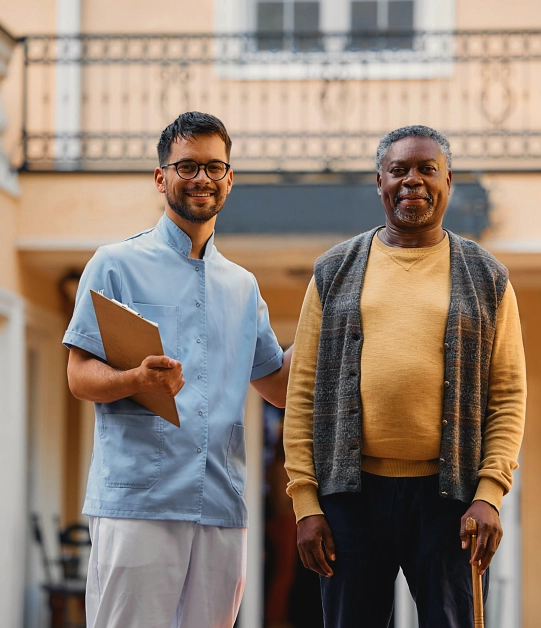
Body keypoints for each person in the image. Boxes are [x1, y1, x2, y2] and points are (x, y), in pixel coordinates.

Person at [283, 125, 526, 628]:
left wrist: (489, 494)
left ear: (448, 180)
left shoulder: (487, 277)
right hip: (349, 499)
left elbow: (507, 396)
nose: (412, 180)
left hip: (451, 498)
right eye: (399, 170)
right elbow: (303, 390)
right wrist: (305, 501)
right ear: (379, 181)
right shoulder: (333, 271)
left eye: (426, 169)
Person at [64, 111, 292, 628]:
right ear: (161, 176)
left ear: (230, 179)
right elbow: (79, 376)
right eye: (187, 167)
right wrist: (134, 380)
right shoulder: (114, 264)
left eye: (214, 168)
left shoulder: (243, 286)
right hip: (138, 504)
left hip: (220, 506)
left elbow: (276, 385)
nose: (201, 180)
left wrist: (328, 330)